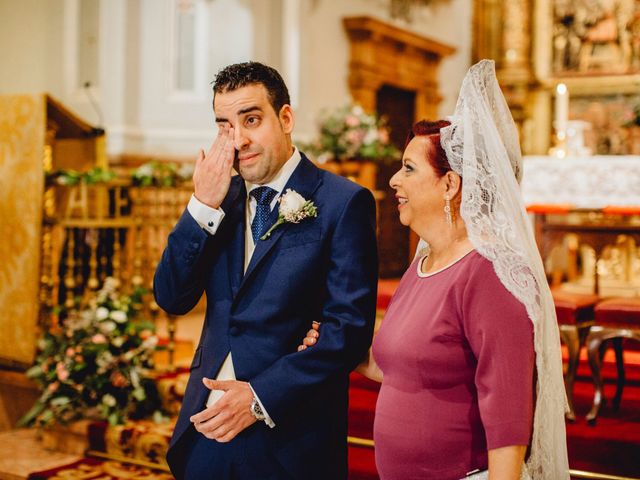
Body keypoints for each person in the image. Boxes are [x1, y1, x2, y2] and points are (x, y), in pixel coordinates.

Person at [300, 60, 570, 479]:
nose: (394, 181)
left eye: (409, 168)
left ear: (450, 184)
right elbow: (403, 368)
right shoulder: (425, 263)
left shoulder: (490, 272)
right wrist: (340, 349)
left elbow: (509, 418)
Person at [154, 61, 378, 480]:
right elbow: (171, 296)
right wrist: (201, 205)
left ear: (286, 118)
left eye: (251, 119)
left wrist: (259, 397)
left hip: (289, 435)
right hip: (207, 426)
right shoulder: (221, 200)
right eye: (224, 125)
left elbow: (348, 330)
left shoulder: (342, 202)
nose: (238, 139)